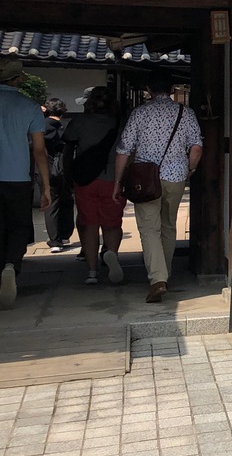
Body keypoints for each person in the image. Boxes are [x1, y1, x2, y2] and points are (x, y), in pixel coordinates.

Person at [113, 73, 202, 303]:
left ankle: (157, 279)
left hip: (144, 179)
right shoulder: (186, 113)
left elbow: (123, 150)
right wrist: (190, 169)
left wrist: (118, 182)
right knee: (168, 226)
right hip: (176, 177)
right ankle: (166, 274)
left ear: (148, 90)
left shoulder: (140, 113)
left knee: (149, 229)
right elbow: (196, 147)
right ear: (172, 89)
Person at [0, 54, 51, 307]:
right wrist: (46, 187)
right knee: (19, 226)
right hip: (18, 177)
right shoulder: (29, 106)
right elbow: (40, 151)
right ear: (18, 79)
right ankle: (12, 264)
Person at [62, 87, 125, 285]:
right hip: (114, 179)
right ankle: (111, 253)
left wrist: (68, 177)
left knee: (89, 224)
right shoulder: (121, 123)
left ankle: (92, 272)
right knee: (112, 223)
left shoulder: (79, 122)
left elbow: (67, 152)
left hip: (85, 179)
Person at [42, 97, 77, 253]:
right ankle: (65, 235)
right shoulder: (67, 126)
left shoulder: (41, 125)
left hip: (46, 169)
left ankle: (54, 240)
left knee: (51, 204)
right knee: (67, 202)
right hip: (66, 168)